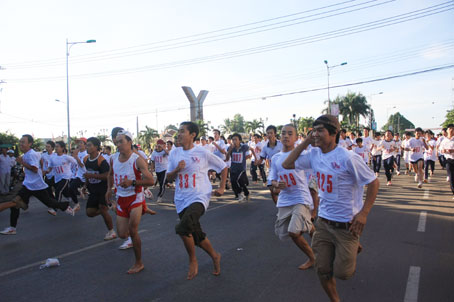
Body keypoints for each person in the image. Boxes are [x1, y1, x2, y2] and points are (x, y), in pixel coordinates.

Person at [282, 115, 379, 302]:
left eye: (320, 130)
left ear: (334, 133)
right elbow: (287, 164)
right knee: (323, 270)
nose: (315, 134)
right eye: (313, 130)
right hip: (323, 223)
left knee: (343, 273)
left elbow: (373, 182)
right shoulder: (314, 154)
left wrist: (364, 213)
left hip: (347, 226)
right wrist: (306, 142)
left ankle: (352, 246)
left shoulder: (348, 158)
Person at [166, 121, 226, 280]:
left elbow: (223, 166)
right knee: (197, 235)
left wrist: (222, 188)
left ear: (192, 135)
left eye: (182, 131)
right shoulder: (174, 153)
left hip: (199, 197)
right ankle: (215, 256)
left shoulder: (202, 152)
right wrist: (177, 169)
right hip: (181, 199)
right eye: (178, 131)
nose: (178, 134)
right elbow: (168, 177)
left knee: (183, 227)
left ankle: (193, 260)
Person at [0, 135, 74, 235]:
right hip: (28, 185)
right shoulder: (28, 154)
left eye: (23, 142)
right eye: (20, 142)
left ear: (30, 144)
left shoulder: (31, 154)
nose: (21, 144)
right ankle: (12, 228)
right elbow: (40, 162)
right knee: (15, 204)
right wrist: (41, 170)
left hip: (36, 185)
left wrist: (23, 163)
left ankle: (66, 207)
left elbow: (34, 169)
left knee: (50, 203)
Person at [106, 130, 154, 274]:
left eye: (121, 141)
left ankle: (139, 263)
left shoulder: (137, 160)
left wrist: (132, 182)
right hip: (121, 198)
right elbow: (110, 174)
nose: (118, 144)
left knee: (133, 231)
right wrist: (108, 189)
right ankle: (143, 209)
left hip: (135, 197)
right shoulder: (113, 158)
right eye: (116, 141)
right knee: (122, 234)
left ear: (130, 142)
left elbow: (151, 180)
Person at [269, 124, 316, 270]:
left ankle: (313, 258)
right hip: (285, 200)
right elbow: (271, 181)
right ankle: (319, 236)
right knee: (284, 233)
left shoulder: (304, 156)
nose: (286, 136)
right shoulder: (276, 158)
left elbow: (315, 178)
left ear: (296, 138)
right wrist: (277, 185)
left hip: (301, 198)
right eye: (283, 133)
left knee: (293, 232)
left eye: (290, 134)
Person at [83, 137, 117, 241]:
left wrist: (92, 176)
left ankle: (111, 231)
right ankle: (109, 207)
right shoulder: (86, 159)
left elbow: (107, 175)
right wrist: (85, 185)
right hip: (93, 189)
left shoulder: (101, 160)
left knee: (102, 208)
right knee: (89, 212)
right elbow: (88, 174)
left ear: (96, 147)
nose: (87, 147)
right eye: (86, 145)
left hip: (102, 188)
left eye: (89, 145)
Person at [225, 133, 256, 202]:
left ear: (240, 140)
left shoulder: (244, 147)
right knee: (236, 182)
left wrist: (256, 158)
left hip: (241, 168)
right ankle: (246, 193)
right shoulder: (230, 148)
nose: (234, 141)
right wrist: (229, 150)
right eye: (233, 140)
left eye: (235, 139)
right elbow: (227, 158)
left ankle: (240, 194)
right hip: (233, 168)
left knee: (236, 180)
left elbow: (252, 149)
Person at [256, 125, 283, 202]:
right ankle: (279, 207)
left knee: (279, 190)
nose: (269, 135)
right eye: (268, 133)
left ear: (275, 134)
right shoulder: (265, 147)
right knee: (272, 191)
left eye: (271, 133)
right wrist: (257, 163)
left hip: (282, 170)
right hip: (272, 171)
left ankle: (284, 204)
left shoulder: (281, 144)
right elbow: (261, 158)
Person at [440, 124, 454, 198]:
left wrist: (452, 150)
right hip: (449, 160)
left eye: (452, 129)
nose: (451, 130)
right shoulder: (444, 141)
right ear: (447, 130)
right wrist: (443, 150)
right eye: (449, 129)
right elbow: (441, 150)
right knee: (451, 177)